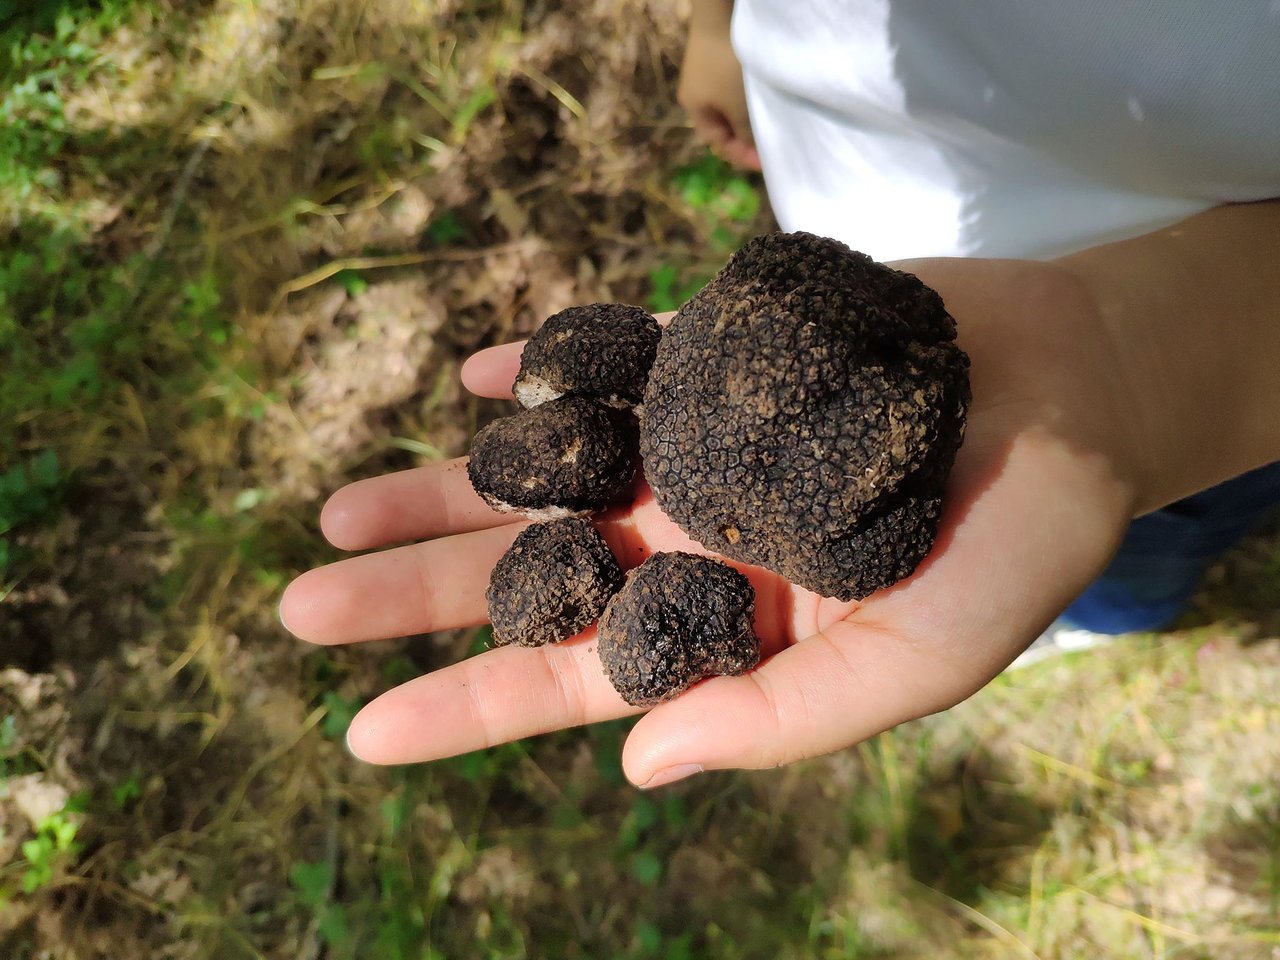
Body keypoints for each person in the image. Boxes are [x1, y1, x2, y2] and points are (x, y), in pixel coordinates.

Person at [279, 2, 1280, 788]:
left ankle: (1122, 612)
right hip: (841, 187)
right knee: (1107, 544)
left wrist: (1129, 371)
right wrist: (716, 24)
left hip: (1202, 353)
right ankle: (1104, 601)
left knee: (1152, 545)